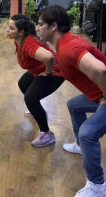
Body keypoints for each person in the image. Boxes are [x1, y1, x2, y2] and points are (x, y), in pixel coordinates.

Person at [36, 5, 106, 197]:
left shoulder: (69, 48)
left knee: (88, 134)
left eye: (40, 24)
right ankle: (82, 148)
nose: (37, 28)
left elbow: (100, 71)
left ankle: (96, 188)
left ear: (53, 26)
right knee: (74, 105)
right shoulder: (63, 44)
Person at [7, 14, 65, 147]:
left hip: (57, 72)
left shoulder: (29, 44)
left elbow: (49, 57)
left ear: (21, 32)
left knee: (31, 98)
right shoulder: (18, 40)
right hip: (39, 70)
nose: (7, 31)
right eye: (8, 27)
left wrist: (49, 72)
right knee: (23, 83)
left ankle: (47, 133)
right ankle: (38, 111)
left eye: (11, 28)